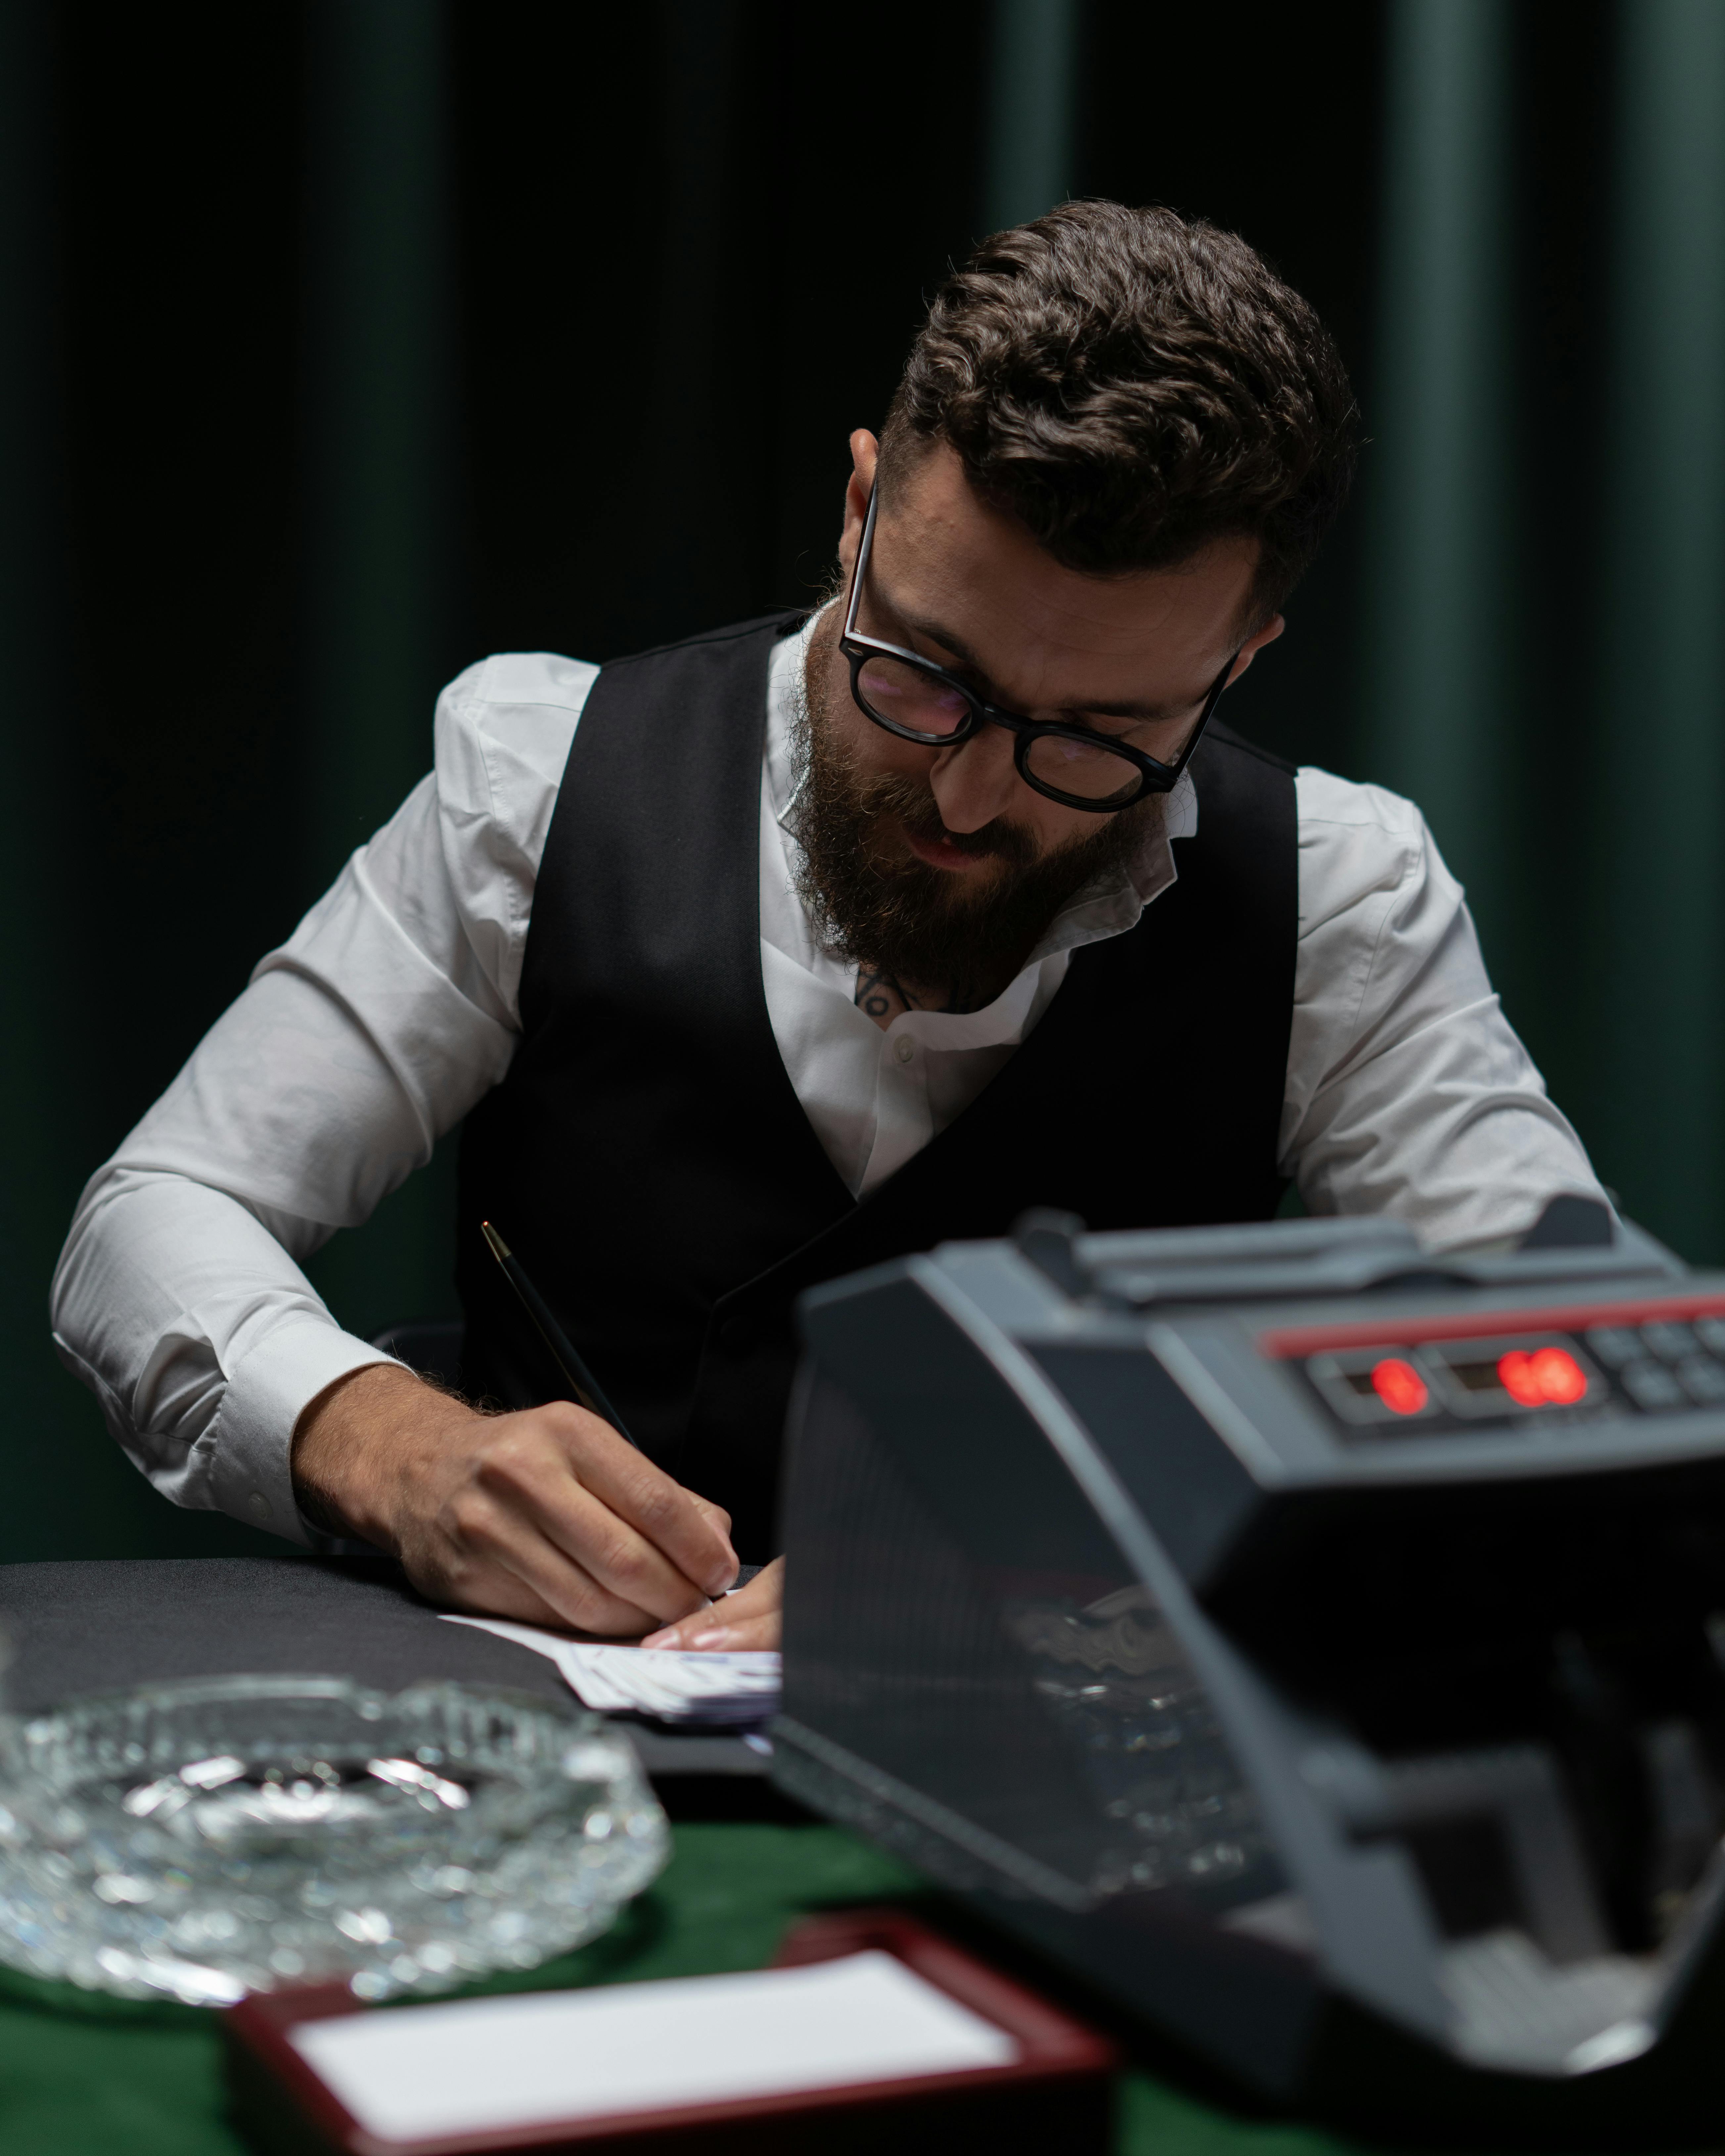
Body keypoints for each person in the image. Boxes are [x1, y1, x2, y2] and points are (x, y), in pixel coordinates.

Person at [53, 203, 1605, 1655]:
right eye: (924, 671)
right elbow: (151, 1217)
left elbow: (1564, 1376)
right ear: (864, 507)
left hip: (1074, 1790)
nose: (974, 791)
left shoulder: (1338, 895)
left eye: (1096, 737)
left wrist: (1129, 1511)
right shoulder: (537, 778)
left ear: (1239, 659)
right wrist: (385, 1446)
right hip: (549, 1750)